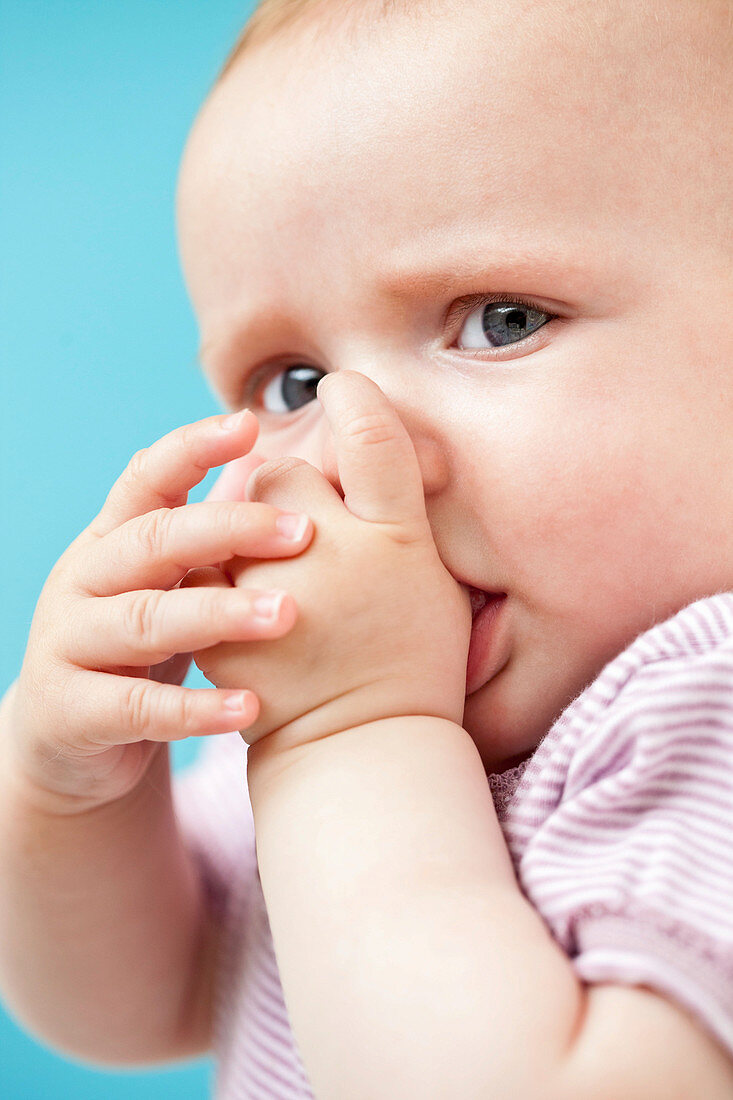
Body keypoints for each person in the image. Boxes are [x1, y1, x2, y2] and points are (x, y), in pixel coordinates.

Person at [1, 0, 731, 1096]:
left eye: (499, 319)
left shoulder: (699, 705)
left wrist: (356, 731)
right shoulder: (324, 720)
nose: (354, 446)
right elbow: (141, 1001)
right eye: (290, 382)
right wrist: (72, 795)